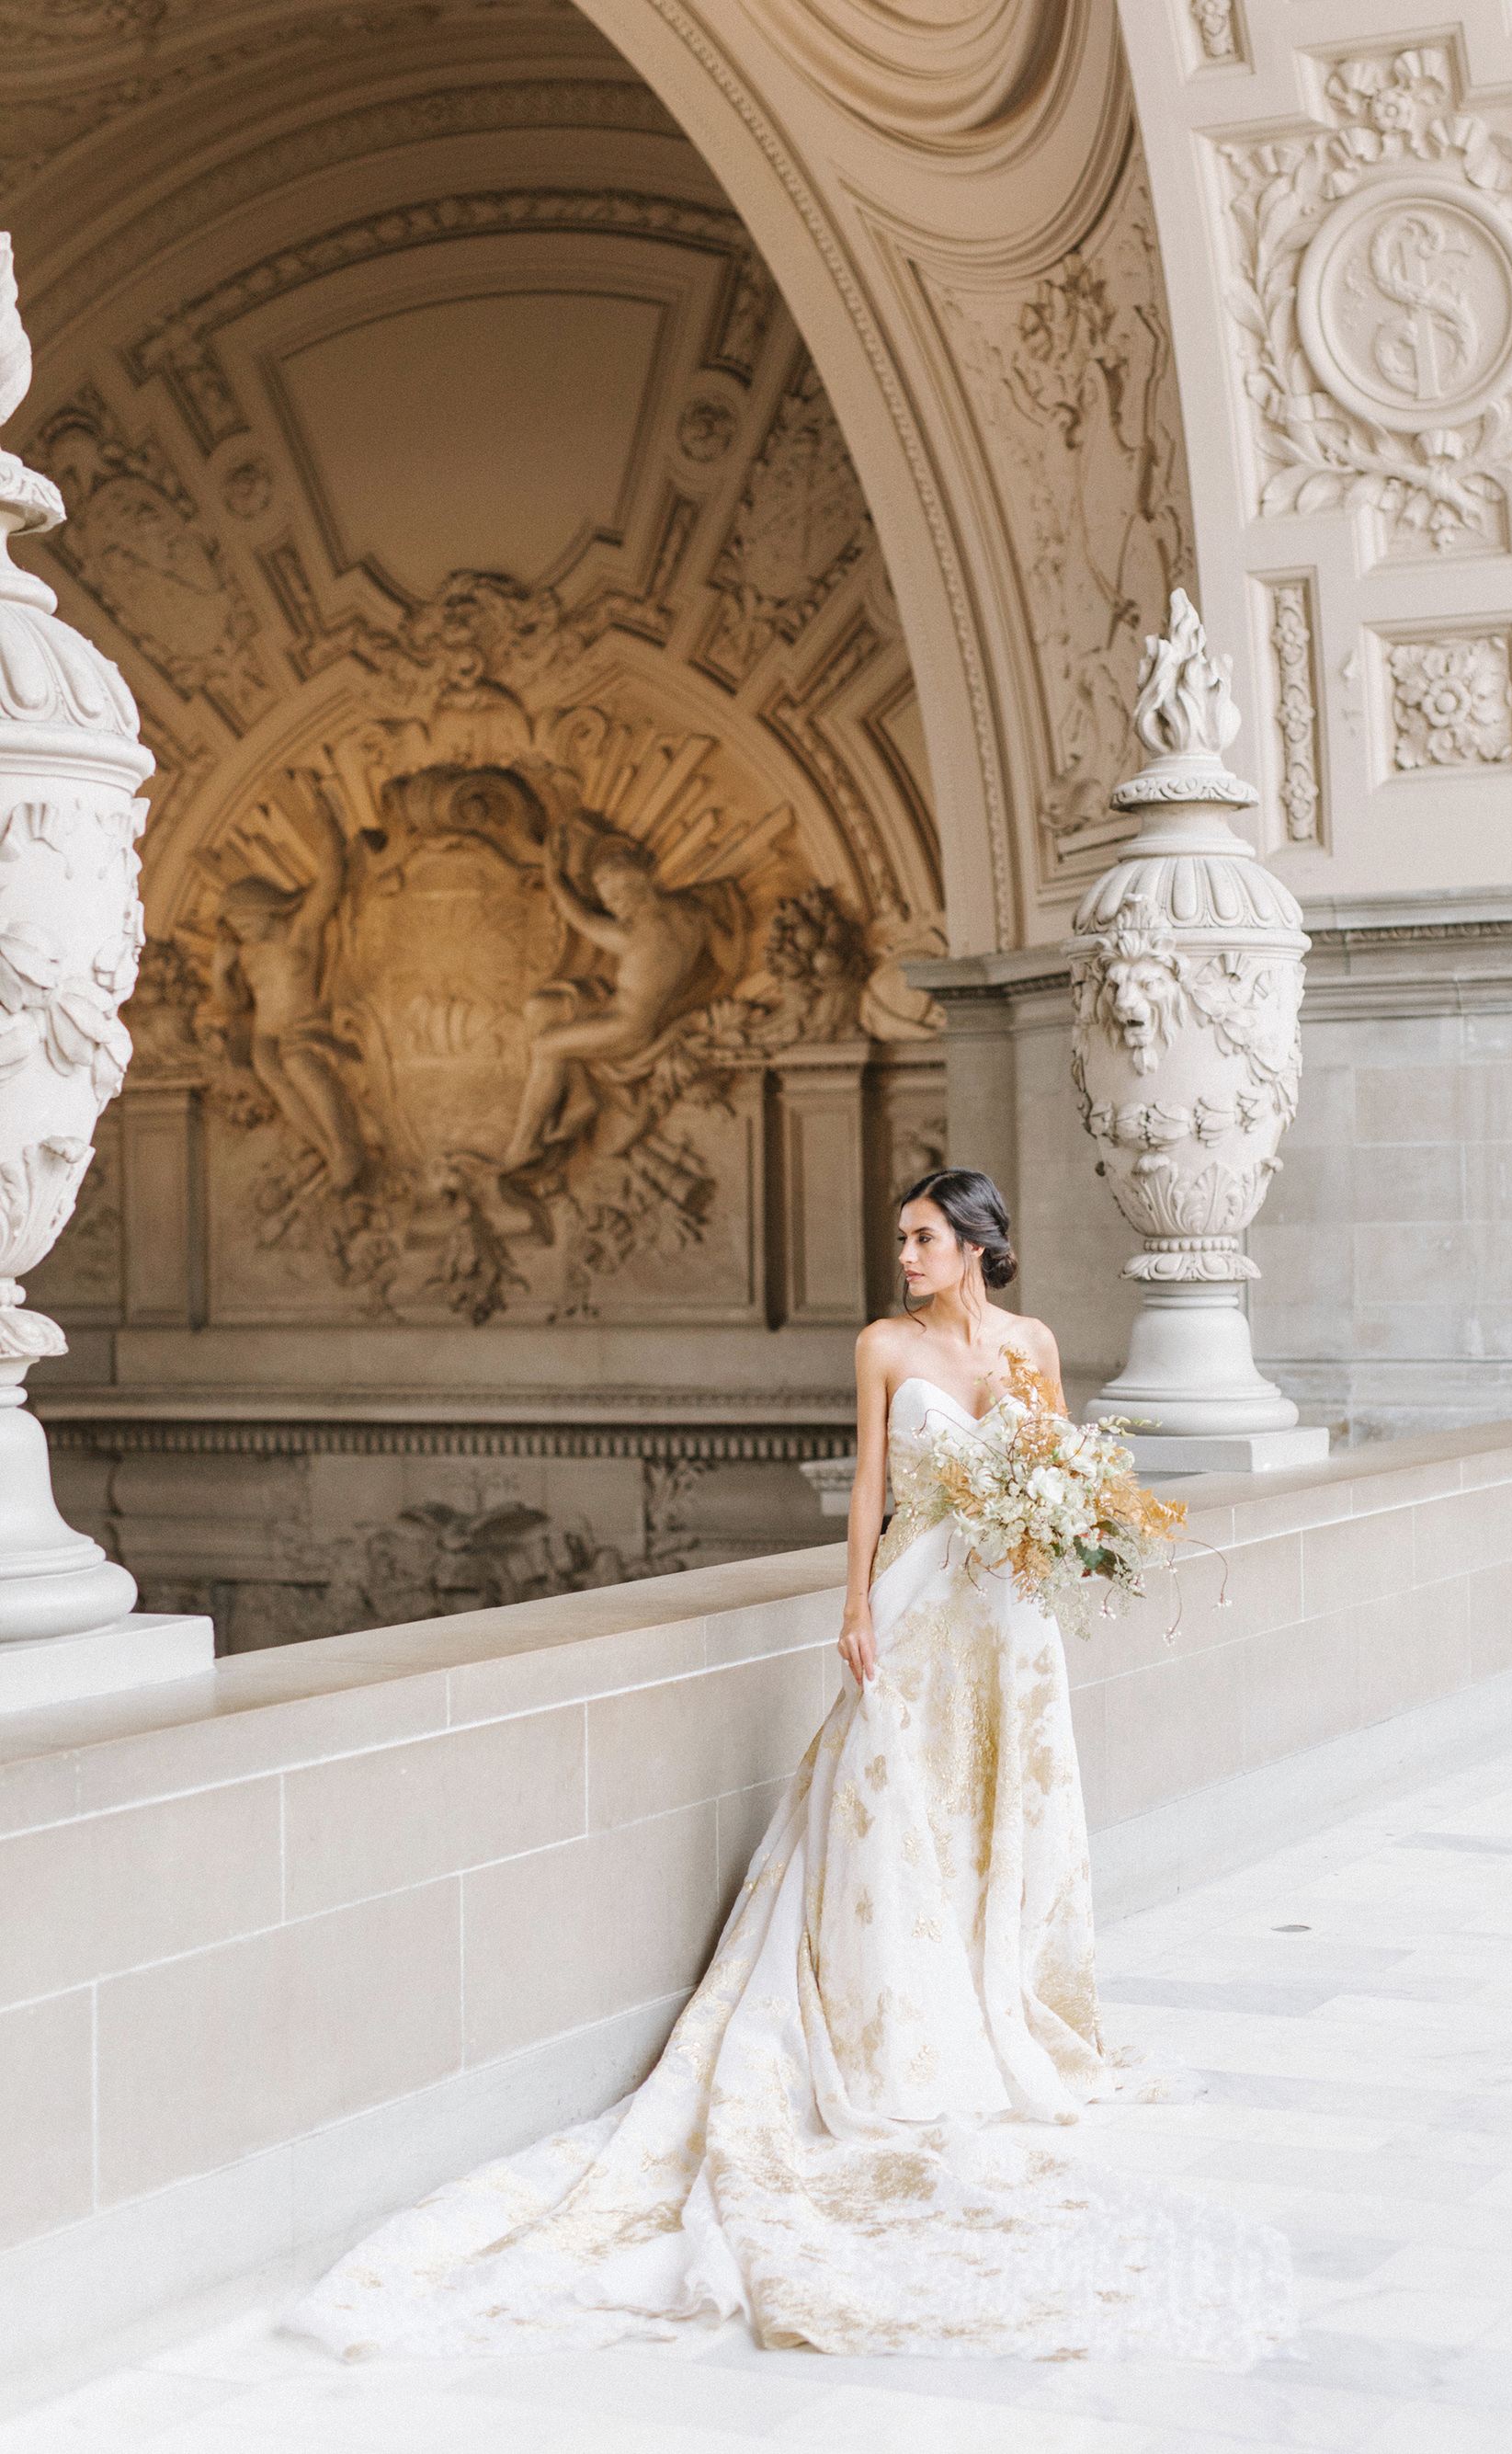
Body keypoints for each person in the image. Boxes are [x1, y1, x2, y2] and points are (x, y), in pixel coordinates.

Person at [288, 1168, 1294, 2365]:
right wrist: (856, 1609)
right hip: (920, 1609)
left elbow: (1063, 1476)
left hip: (1011, 1625)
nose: (906, 1254)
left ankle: (995, 1988)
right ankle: (897, 2022)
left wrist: (1076, 1529)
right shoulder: (881, 1347)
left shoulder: (1031, 1341)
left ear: (975, 1245)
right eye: (902, 1236)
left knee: (996, 1811)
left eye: (923, 1237)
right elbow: (871, 1489)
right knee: (887, 1806)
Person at [502, 824, 749, 1171]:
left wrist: (555, 878)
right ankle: (579, 1101)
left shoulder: (634, 933)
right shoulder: (695, 915)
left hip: (626, 1029)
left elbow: (581, 918)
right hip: (615, 1006)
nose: (612, 908)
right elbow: (731, 962)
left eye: (614, 899)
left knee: (545, 1045)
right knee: (542, 1007)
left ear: (634, 889)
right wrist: (737, 925)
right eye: (608, 902)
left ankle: (523, 1146)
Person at [211, 783, 368, 1195]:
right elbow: (234, 1004)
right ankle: (331, 1151)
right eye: (237, 927)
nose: (243, 932)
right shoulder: (247, 955)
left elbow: (330, 880)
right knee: (272, 1073)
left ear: (266, 909)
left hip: (307, 1022)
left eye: (245, 921)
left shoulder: (301, 931)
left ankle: (343, 1141)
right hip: (266, 1031)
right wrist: (220, 970)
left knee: (298, 1064)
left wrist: (327, 829)